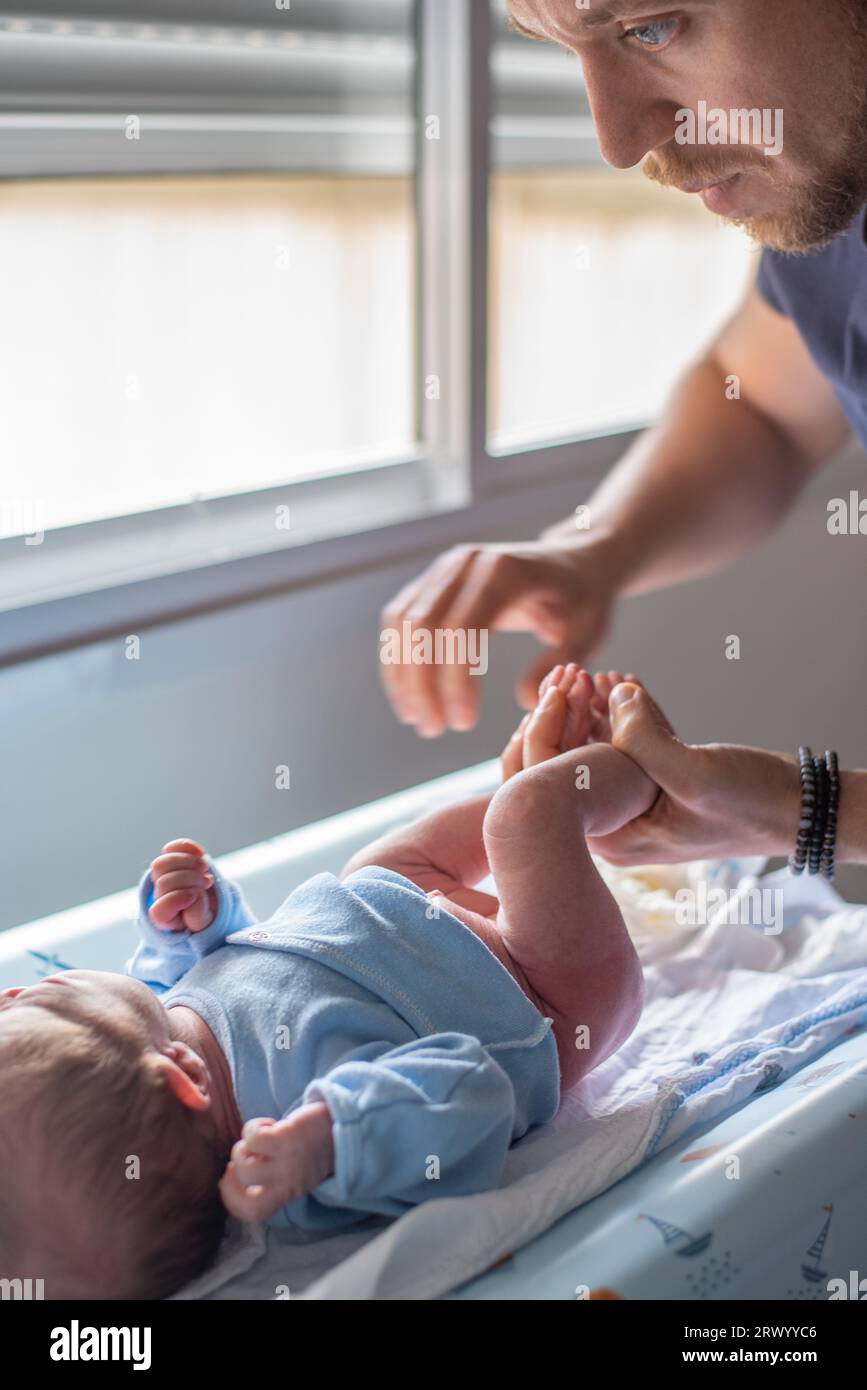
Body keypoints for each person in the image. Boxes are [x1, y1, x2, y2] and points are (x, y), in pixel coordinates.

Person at [380, 0, 867, 866]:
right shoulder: (834, 184)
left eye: (650, 27)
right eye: (563, 46)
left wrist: (806, 814)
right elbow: (761, 406)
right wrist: (593, 551)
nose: (618, 138)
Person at [0, 668, 660, 1299]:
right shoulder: (306, 1152)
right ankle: (648, 780)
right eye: (40, 998)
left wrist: (193, 925)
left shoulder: (178, 1020)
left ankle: (557, 776)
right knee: (525, 817)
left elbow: (245, 972)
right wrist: (335, 1137)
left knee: (382, 861)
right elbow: (473, 1089)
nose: (14, 991)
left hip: (407, 899)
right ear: (182, 1078)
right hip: (542, 990)